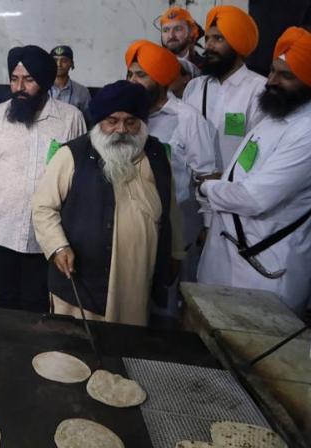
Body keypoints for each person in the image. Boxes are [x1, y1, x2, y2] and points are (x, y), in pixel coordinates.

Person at [33, 80, 183, 326]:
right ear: (99, 122)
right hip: (81, 283)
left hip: (136, 279)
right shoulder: (72, 155)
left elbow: (171, 208)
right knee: (76, 350)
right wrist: (58, 246)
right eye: (112, 121)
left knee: (126, 346)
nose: (121, 129)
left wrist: (175, 252)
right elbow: (42, 207)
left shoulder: (156, 154)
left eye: (130, 121)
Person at [197, 27, 311, 316]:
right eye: (273, 71)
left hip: (266, 272)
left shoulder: (307, 132)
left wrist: (206, 188)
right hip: (226, 260)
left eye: (286, 76)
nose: (271, 81)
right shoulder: (276, 113)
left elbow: (254, 198)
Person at [0, 45, 86, 311]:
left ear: (44, 81)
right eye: (14, 79)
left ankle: (32, 354)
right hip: (0, 231)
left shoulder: (70, 119)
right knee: (5, 300)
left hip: (46, 238)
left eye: (28, 80)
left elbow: (79, 181)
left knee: (37, 304)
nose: (19, 87)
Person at [125, 40, 216, 318]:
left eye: (141, 75)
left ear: (162, 78)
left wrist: (208, 226)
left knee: (167, 308)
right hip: (133, 226)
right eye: (129, 74)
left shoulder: (188, 119)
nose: (132, 81)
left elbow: (207, 174)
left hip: (176, 230)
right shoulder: (128, 117)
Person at [183, 5, 265, 170]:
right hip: (193, 190)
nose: (209, 46)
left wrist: (228, 182)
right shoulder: (195, 87)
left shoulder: (259, 89)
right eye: (207, 39)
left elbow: (260, 147)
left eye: (218, 39)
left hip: (235, 190)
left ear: (238, 44)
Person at [49, 45, 92, 125]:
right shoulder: (41, 89)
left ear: (71, 64)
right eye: (55, 60)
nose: (59, 64)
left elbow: (88, 120)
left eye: (64, 60)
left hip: (73, 135)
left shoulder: (82, 91)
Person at [160, 6, 204, 76]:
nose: (171, 35)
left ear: (191, 33)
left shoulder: (205, 67)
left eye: (178, 29)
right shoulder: (153, 65)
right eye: (166, 30)